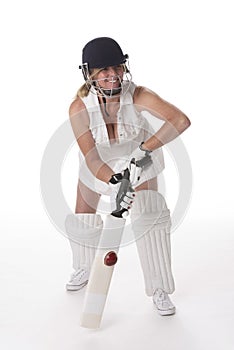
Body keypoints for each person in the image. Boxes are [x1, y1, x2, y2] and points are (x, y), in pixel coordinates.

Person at [65, 37, 191, 316]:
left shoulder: (139, 95)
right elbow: (92, 157)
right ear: (90, 75)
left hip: (139, 162)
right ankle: (84, 268)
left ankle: (159, 288)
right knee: (83, 216)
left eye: (117, 67)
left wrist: (145, 149)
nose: (113, 75)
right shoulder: (79, 108)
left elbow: (180, 121)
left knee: (150, 216)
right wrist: (115, 181)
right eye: (104, 70)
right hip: (100, 166)